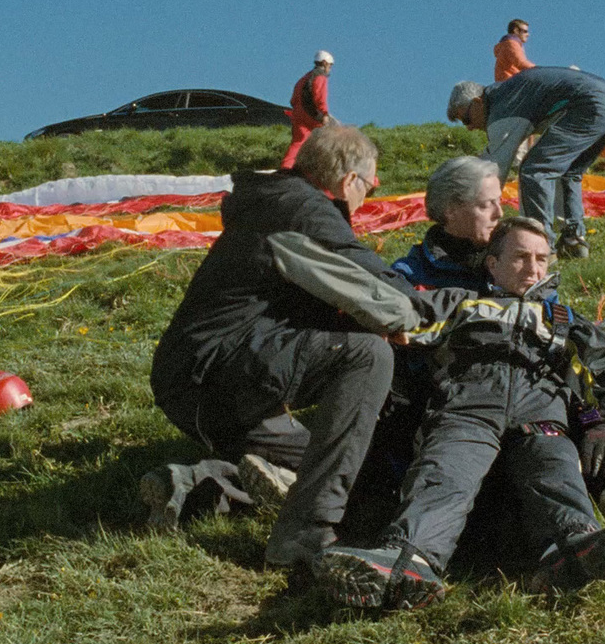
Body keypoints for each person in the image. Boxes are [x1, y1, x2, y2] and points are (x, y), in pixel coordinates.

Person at [313, 217, 605, 610]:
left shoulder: (563, 319)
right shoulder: (461, 302)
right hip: (467, 410)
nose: (534, 269)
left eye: (542, 259)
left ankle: (571, 548)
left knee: (554, 467)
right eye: (522, 257)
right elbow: (402, 312)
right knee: (446, 474)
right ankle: (408, 559)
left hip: (541, 415)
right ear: (492, 263)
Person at [147, 124, 427, 569]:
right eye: (370, 187)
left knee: (352, 466)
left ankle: (206, 483)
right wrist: (429, 311)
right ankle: (303, 535)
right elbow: (379, 291)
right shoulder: (303, 210)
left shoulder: (273, 203)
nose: (366, 199)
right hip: (219, 374)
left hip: (202, 383)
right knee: (366, 354)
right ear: (349, 180)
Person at [392, 156, 605, 519]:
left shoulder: (519, 257)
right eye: (487, 204)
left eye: (500, 201)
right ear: (451, 209)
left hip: (532, 393)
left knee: (580, 377)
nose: (500, 212)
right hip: (455, 395)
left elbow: (552, 324)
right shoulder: (413, 275)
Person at [448, 67, 605, 258]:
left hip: (589, 105)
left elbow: (493, 170)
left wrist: (465, 209)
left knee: (534, 170)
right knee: (568, 171)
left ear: (477, 102)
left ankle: (541, 246)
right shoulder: (509, 93)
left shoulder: (502, 108)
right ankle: (573, 241)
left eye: (466, 118)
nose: (469, 128)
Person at [280, 50, 335, 169]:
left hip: (297, 113)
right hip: (311, 115)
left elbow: (293, 98)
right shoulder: (320, 76)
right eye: (330, 65)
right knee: (327, 138)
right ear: (325, 63)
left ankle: (286, 167)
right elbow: (320, 96)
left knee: (298, 142)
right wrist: (324, 113)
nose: (330, 68)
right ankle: (321, 169)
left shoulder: (305, 77)